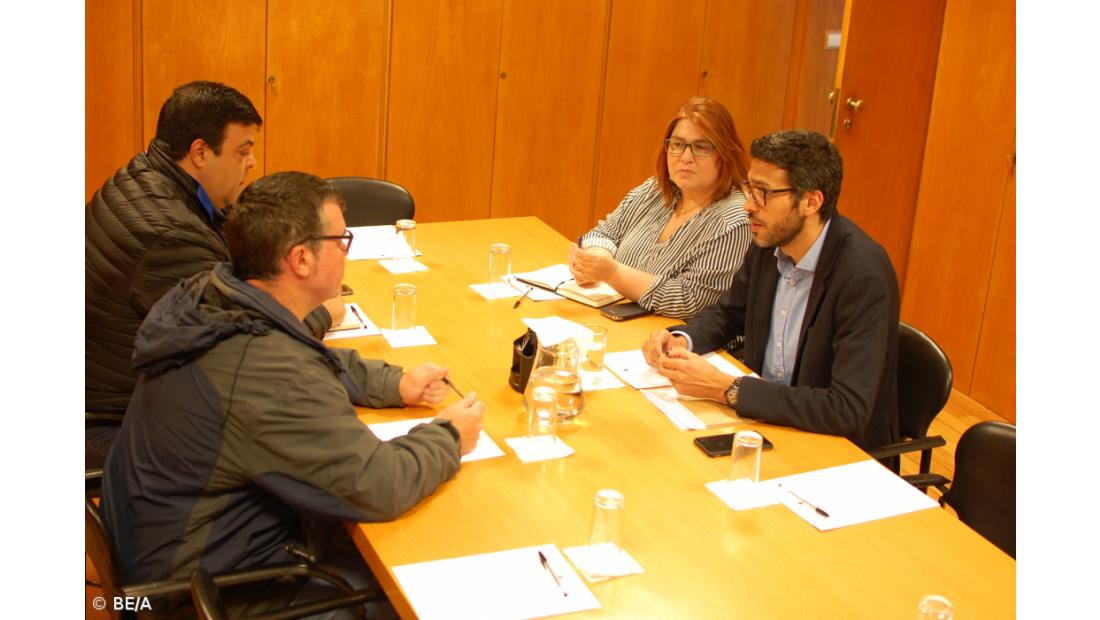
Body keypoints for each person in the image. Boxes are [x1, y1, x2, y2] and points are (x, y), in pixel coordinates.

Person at [100, 171, 484, 618]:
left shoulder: (213, 297)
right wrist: (448, 436)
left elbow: (300, 354)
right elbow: (379, 483)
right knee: (423, 590)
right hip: (211, 593)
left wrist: (393, 383)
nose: (346, 251)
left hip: (172, 549)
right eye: (341, 240)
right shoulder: (270, 372)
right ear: (301, 259)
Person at [85, 81, 343, 469]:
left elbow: (226, 251)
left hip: (115, 394)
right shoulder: (168, 235)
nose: (251, 163)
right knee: (306, 446)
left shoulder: (147, 178)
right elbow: (245, 358)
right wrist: (320, 311)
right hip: (115, 424)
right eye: (243, 151)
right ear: (201, 152)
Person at [642, 130, 900, 451]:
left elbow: (845, 409)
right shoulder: (769, 241)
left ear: (811, 201)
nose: (749, 205)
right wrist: (682, 339)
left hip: (832, 448)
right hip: (762, 422)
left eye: (763, 193)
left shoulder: (862, 276)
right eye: (750, 188)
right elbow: (730, 313)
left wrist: (728, 389)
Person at [568, 96, 752, 319]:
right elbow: (605, 233)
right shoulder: (656, 189)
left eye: (701, 147)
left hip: (673, 334)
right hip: (616, 317)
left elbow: (691, 301)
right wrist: (594, 260)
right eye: (677, 145)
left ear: (725, 154)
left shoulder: (734, 221)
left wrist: (612, 273)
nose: (686, 157)